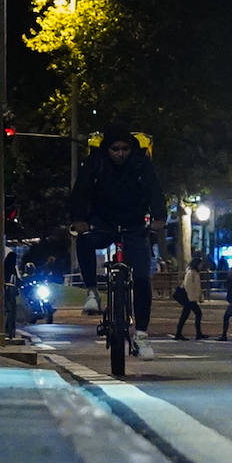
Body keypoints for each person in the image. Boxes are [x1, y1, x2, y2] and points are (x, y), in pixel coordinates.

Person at [68, 127, 166, 360]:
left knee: (142, 278)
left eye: (125, 149)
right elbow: (80, 191)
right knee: (84, 241)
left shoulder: (142, 164)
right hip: (103, 222)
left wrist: (158, 218)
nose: (120, 154)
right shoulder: (95, 163)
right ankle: (92, 292)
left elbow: (155, 191)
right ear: (107, 150)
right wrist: (79, 219)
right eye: (115, 149)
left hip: (134, 225)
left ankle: (141, 335)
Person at [173, 256, 209, 340]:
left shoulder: (194, 272)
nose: (201, 266)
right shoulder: (191, 273)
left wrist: (199, 296)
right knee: (197, 313)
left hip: (191, 298)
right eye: (200, 264)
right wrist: (192, 298)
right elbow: (188, 286)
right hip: (190, 298)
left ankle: (179, 333)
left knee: (185, 315)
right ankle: (197, 334)